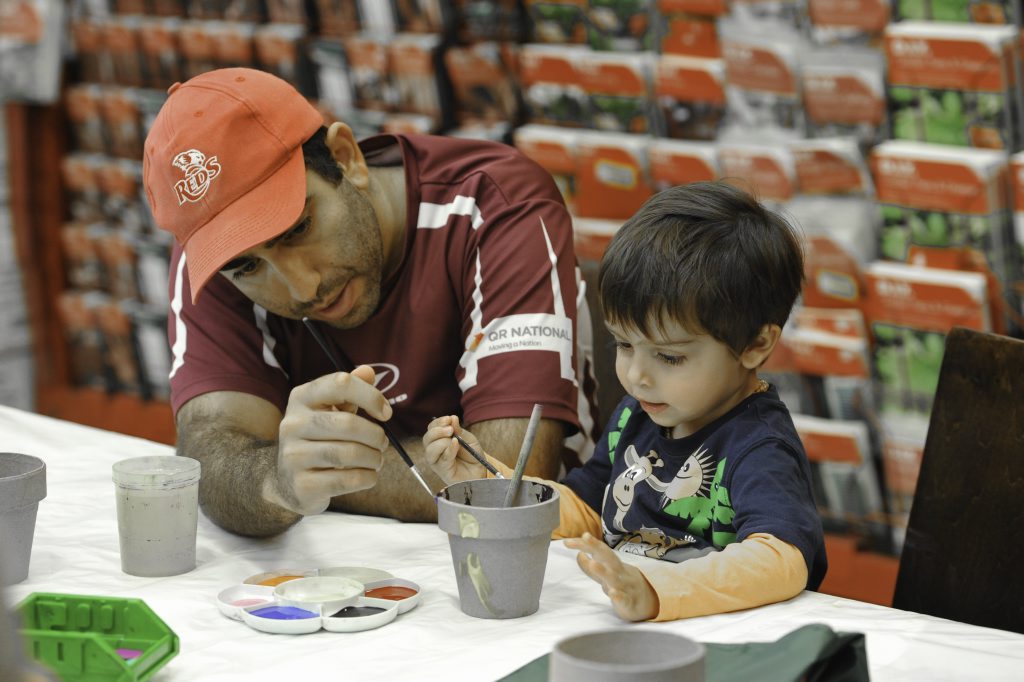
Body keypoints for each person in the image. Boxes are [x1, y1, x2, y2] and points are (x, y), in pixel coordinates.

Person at [142, 68, 598, 537]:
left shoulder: (496, 203)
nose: (302, 289)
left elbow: (507, 480)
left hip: (540, 563)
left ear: (346, 158)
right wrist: (280, 477)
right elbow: (210, 460)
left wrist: (296, 477)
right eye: (249, 268)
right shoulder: (215, 257)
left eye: (299, 229)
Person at [424, 181, 827, 621]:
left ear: (755, 344)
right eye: (623, 344)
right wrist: (488, 479)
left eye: (669, 356)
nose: (637, 376)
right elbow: (585, 510)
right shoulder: (638, 414)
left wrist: (659, 589)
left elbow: (783, 559)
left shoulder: (759, 445)